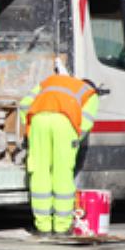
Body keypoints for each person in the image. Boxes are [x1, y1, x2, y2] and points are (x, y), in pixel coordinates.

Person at [19, 70, 99, 236]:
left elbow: (25, 104)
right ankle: (62, 226)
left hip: (38, 121)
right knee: (62, 173)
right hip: (65, 123)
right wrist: (76, 138)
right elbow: (86, 122)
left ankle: (43, 227)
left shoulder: (50, 81)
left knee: (40, 173)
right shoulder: (90, 94)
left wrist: (29, 128)